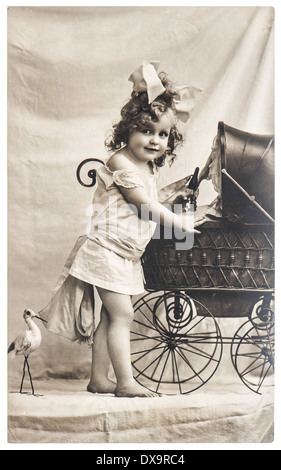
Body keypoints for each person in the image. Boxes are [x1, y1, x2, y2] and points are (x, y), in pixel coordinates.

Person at [39, 61, 202, 397]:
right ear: (126, 130)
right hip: (106, 250)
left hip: (127, 254)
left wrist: (175, 194)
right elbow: (143, 205)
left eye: (163, 134)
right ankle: (125, 382)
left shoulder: (145, 166)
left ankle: (99, 379)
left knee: (110, 318)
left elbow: (150, 197)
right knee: (122, 314)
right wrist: (181, 223)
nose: (155, 140)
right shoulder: (119, 162)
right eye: (146, 131)